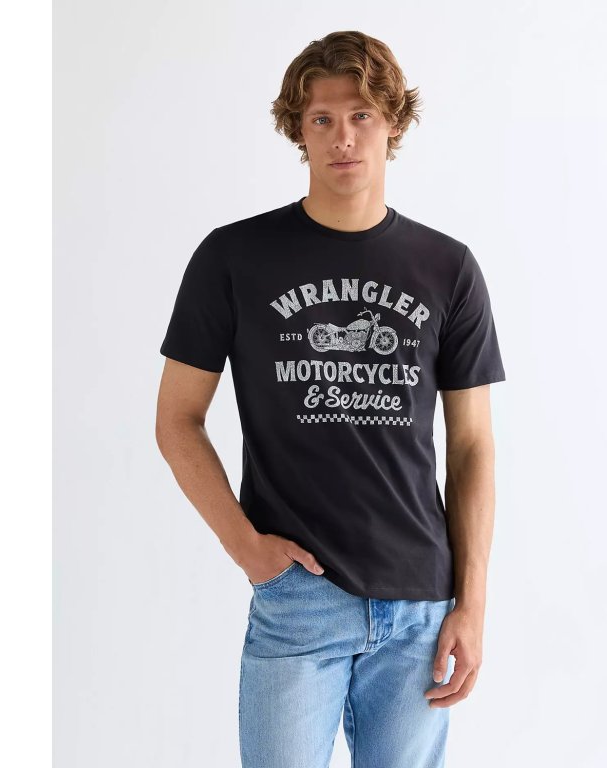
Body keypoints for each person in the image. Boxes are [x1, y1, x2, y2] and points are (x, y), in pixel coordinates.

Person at [155, 30, 505, 768]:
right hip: (299, 598)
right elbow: (177, 421)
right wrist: (246, 547)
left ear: (393, 123)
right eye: (322, 118)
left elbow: (472, 444)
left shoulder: (448, 267)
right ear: (298, 130)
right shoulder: (233, 257)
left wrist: (471, 602)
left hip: (421, 603)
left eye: (361, 116)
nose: (343, 137)